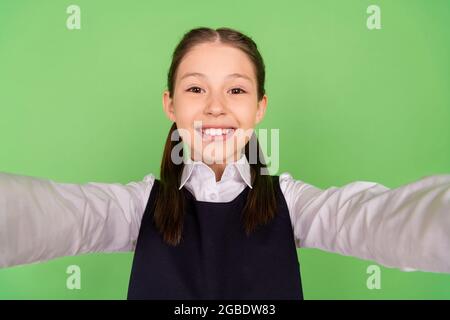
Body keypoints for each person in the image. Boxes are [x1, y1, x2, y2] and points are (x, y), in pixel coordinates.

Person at [0, 27, 449, 300]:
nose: (215, 108)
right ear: (170, 105)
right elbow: (51, 215)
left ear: (260, 108)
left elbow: (383, 220)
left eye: (236, 90)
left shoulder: (293, 203)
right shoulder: (135, 208)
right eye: (195, 89)